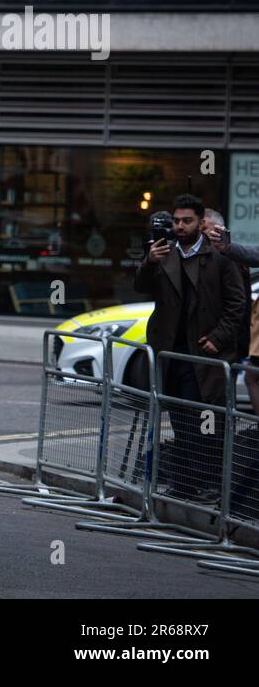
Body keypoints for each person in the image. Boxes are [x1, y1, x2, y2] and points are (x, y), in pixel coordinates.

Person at [134, 194, 248, 502]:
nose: (180, 226)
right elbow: (141, 287)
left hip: (205, 354)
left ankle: (210, 485)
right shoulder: (164, 253)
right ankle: (182, 484)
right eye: (176, 221)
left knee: (208, 424)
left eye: (187, 221)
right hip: (173, 353)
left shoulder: (220, 255)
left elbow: (237, 304)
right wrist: (148, 262)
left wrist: (218, 339)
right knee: (181, 422)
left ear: (201, 223)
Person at [204, 212, 259, 413]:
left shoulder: (227, 259)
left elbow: (237, 303)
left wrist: (227, 248)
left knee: (250, 377)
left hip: (228, 342)